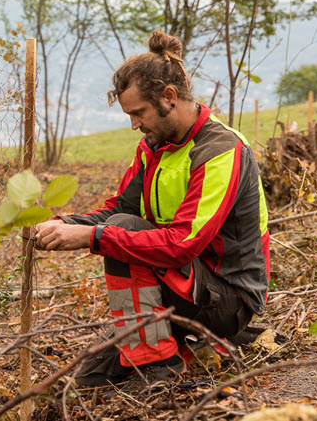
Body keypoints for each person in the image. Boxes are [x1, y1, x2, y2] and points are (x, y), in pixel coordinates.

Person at [34, 31, 270, 388]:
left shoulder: (221, 150)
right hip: (178, 284)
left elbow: (181, 244)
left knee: (120, 233)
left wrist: (91, 237)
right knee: (88, 381)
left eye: (138, 113)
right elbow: (114, 212)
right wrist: (62, 224)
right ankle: (167, 351)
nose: (134, 125)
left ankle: (162, 369)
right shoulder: (153, 147)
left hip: (228, 297)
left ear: (169, 97)